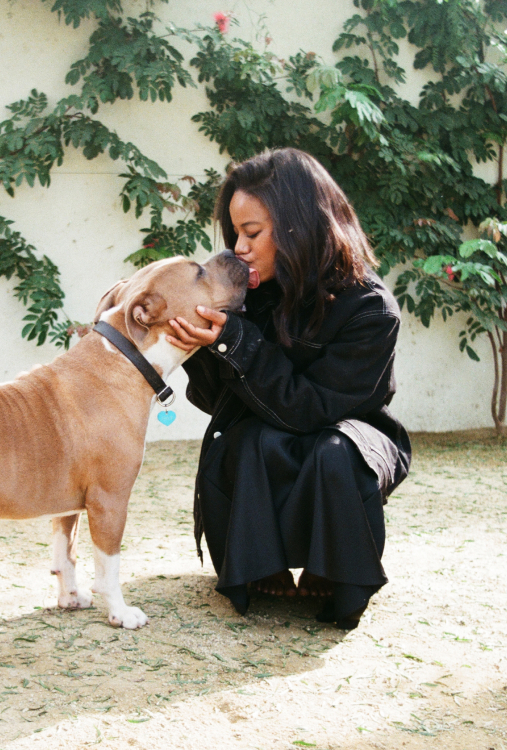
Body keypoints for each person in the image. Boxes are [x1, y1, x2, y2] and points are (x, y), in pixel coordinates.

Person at [166, 148, 411, 629]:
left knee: (333, 451)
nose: (239, 247)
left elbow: (315, 409)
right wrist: (201, 349)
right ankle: (261, 562)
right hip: (264, 440)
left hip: (348, 438)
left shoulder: (371, 308)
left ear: (300, 225)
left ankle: (331, 563)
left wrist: (237, 344)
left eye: (252, 232)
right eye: (235, 233)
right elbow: (220, 405)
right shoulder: (246, 296)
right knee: (250, 437)